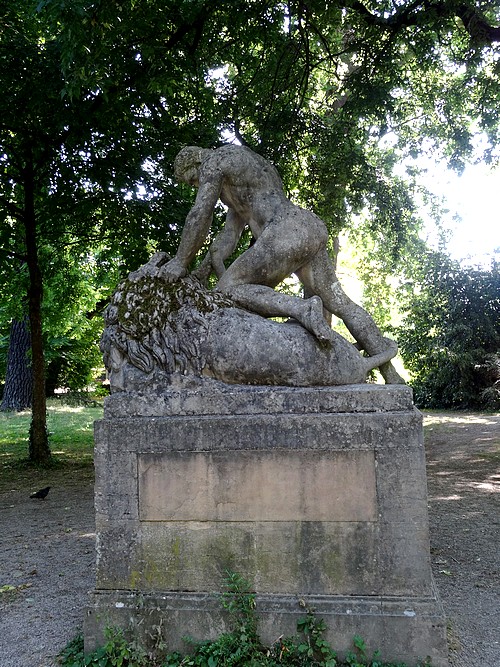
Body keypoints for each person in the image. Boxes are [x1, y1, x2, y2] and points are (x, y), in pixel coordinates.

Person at [160, 144, 403, 384]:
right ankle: (391, 374)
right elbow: (227, 240)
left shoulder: (214, 161)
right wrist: (203, 269)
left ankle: (302, 309)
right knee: (341, 303)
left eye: (191, 180)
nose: (195, 185)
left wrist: (181, 262)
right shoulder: (245, 176)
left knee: (227, 290)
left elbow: (200, 213)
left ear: (195, 164)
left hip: (283, 232)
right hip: (308, 226)